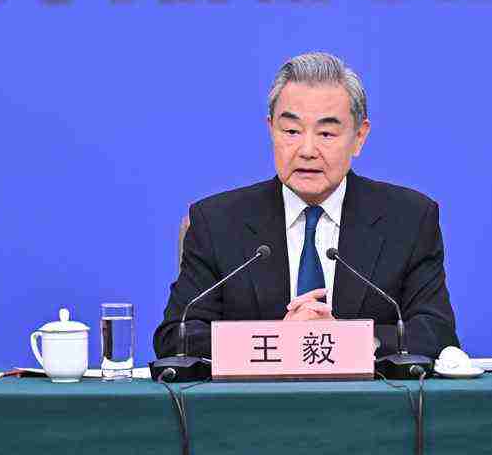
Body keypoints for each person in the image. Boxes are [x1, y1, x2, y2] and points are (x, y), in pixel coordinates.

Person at [153, 52, 459, 359]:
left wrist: (344, 340)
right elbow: (177, 336)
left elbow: (436, 332)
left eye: (326, 133)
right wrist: (278, 339)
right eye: (291, 131)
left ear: (359, 137)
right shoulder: (217, 222)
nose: (307, 150)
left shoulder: (409, 219)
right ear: (271, 129)